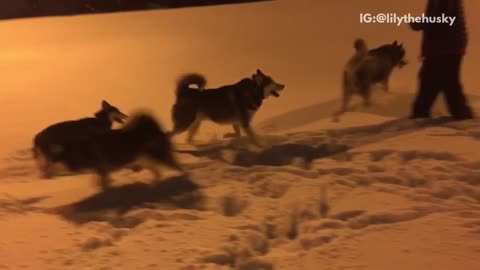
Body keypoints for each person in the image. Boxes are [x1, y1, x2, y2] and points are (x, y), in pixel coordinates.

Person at [410, 0, 474, 120]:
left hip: (446, 47)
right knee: (438, 82)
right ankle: (421, 114)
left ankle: (461, 116)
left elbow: (442, 18)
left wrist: (420, 24)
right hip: (444, 47)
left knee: (439, 82)